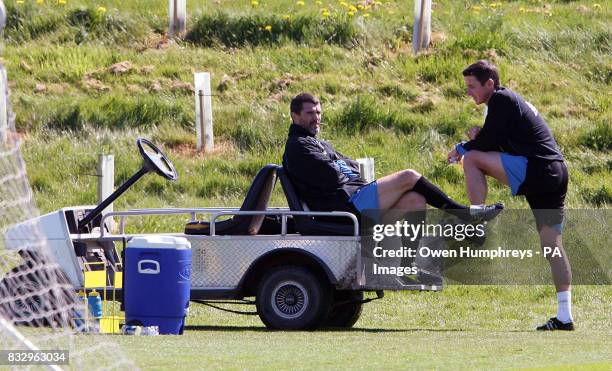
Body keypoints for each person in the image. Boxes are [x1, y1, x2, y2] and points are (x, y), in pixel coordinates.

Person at [447, 60, 573, 331]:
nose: (469, 92)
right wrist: (479, 139)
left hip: (538, 170)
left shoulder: (501, 99)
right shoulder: (508, 101)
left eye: (472, 87)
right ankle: (565, 316)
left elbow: (484, 146)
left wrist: (461, 147)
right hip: (556, 173)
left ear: (490, 84)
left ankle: (477, 219)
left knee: (471, 160)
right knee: (552, 247)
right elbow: (498, 139)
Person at [282, 93, 504, 229]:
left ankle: (407, 268)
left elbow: (352, 169)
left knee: (415, 200)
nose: (317, 118)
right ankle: (463, 214)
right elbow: (333, 175)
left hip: (356, 200)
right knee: (408, 176)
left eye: (319, 113)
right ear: (295, 116)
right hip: (344, 208)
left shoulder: (318, 143)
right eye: (310, 113)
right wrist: (342, 169)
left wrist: (342, 168)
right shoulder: (298, 146)